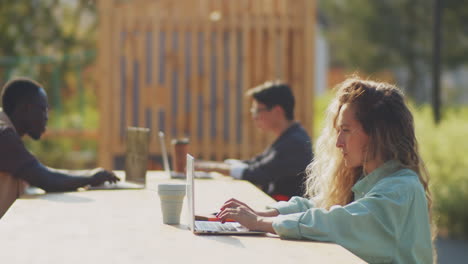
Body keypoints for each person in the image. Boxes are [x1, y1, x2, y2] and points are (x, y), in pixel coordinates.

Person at [216, 78, 435, 263]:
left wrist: (260, 223)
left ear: (377, 133)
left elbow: (337, 222)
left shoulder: (399, 189)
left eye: (346, 131)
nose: (338, 142)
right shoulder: (373, 180)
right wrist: (260, 214)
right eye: (338, 131)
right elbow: (321, 206)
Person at [0, 77, 119, 218]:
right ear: (26, 108)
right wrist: (90, 179)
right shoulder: (4, 137)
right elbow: (46, 179)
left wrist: (88, 175)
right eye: (43, 109)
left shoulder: (8, 133)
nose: (47, 117)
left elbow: (41, 172)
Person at [197, 81, 313, 200]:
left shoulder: (295, 143)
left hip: (286, 213)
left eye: (258, 111)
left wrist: (209, 167)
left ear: (277, 111)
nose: (254, 117)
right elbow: (255, 163)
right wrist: (214, 166)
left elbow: (257, 174)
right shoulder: (290, 136)